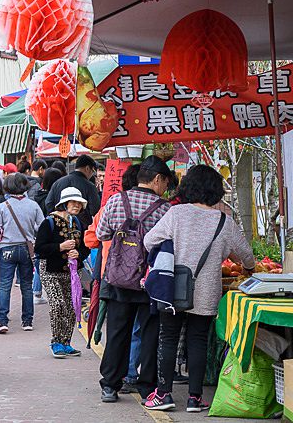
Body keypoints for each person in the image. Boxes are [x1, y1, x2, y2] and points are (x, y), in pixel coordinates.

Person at [141, 165, 255, 413]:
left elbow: (149, 240)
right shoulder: (224, 221)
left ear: (189, 186)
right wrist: (246, 266)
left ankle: (163, 395)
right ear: (215, 190)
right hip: (207, 290)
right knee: (198, 340)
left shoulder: (176, 213)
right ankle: (195, 398)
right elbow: (247, 256)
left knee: (168, 338)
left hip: (173, 288)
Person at [94, 156, 175, 403]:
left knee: (118, 332)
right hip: (150, 280)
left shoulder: (117, 200)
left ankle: (110, 385)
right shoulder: (165, 209)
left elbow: (101, 233)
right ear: (158, 179)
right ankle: (146, 386)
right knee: (150, 333)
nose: (166, 189)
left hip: (118, 277)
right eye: (166, 184)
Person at [34, 188, 88, 358]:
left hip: (72, 272)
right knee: (58, 305)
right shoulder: (48, 222)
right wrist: (60, 247)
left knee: (72, 306)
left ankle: (66, 342)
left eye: (79, 203)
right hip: (50, 271)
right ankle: (56, 342)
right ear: (64, 203)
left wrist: (79, 254)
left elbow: (85, 247)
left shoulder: (78, 223)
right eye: (74, 202)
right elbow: (39, 249)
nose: (77, 205)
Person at [0, 173, 44, 334]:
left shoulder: (3, 206)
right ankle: (27, 321)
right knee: (26, 286)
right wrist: (30, 232)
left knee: (5, 285)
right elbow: (41, 226)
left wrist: (2, 233)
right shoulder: (33, 205)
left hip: (7, 248)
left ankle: (2, 321)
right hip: (27, 249)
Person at [32, 167, 64, 304]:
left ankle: (37, 291)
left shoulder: (37, 195)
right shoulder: (54, 199)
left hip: (38, 231)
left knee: (41, 260)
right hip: (50, 230)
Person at [44, 155, 101, 228]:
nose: (92, 174)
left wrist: (58, 215)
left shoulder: (58, 182)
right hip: (81, 228)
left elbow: (48, 203)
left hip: (58, 226)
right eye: (92, 171)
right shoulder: (90, 186)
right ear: (87, 168)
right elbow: (95, 210)